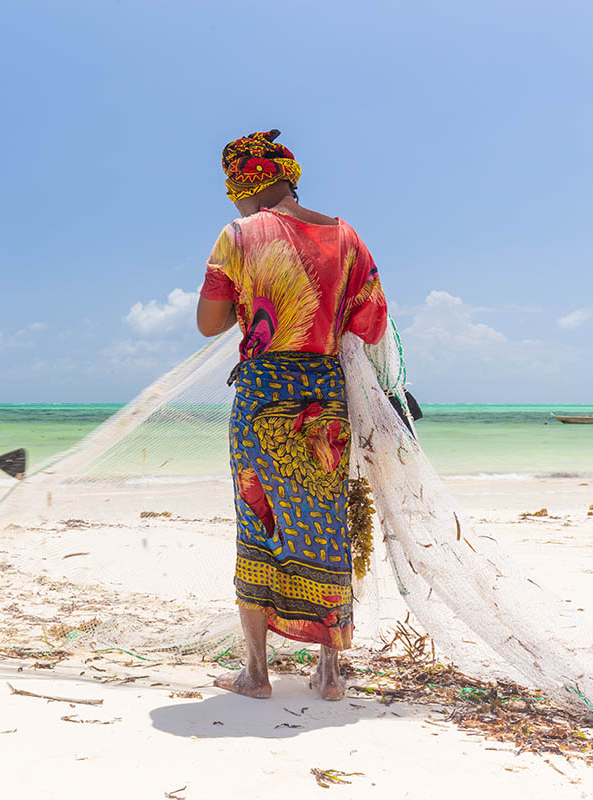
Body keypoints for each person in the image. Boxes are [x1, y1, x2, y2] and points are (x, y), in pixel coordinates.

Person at [197, 129, 387, 699]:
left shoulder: (239, 235)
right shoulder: (346, 236)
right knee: (325, 526)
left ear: (243, 183)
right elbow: (370, 324)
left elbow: (210, 323)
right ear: (289, 175)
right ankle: (329, 674)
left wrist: (259, 299)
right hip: (325, 401)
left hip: (260, 399)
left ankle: (256, 674)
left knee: (258, 520)